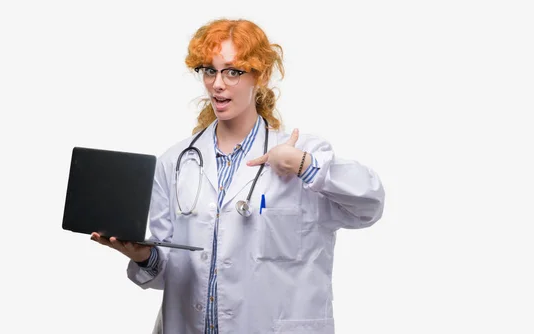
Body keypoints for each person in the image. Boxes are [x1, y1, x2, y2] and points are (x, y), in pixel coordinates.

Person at [91, 18, 385, 334]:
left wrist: (303, 164)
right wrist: (146, 257)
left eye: (233, 72)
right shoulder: (175, 161)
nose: (218, 84)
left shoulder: (303, 152)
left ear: (262, 75)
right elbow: (171, 275)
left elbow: (368, 206)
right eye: (209, 70)